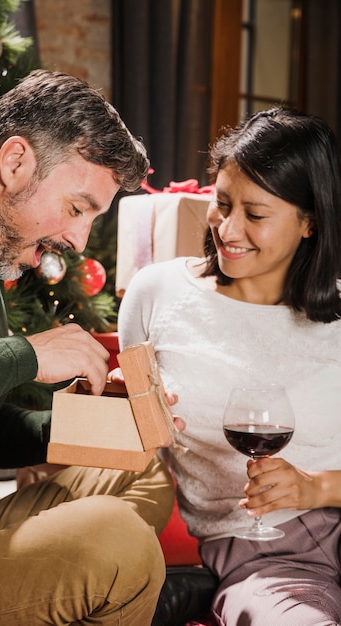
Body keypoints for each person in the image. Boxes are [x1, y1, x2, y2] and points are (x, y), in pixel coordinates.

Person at [0, 69, 176, 625]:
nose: (76, 242)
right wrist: (25, 354)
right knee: (121, 544)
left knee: (141, 467)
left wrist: (86, 425)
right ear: (16, 160)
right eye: (77, 209)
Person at [117, 107, 341, 625]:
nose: (229, 229)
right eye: (222, 204)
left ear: (310, 222)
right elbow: (135, 449)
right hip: (267, 556)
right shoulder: (158, 295)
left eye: (256, 214)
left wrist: (317, 487)